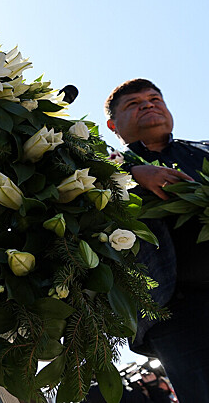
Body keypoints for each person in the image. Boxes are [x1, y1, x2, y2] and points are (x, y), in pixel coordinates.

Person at [105, 78, 209, 402]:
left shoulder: (204, 150)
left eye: (154, 99)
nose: (148, 105)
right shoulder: (101, 166)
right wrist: (134, 174)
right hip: (176, 314)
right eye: (133, 104)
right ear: (112, 124)